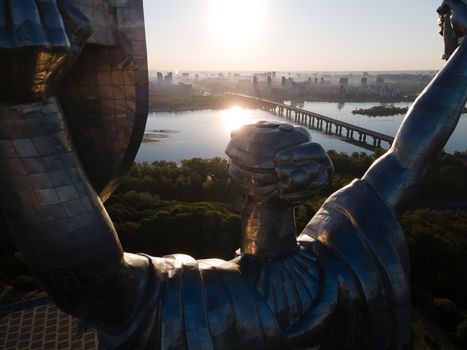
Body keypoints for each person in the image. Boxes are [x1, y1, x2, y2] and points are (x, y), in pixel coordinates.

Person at [0, 0, 465, 349]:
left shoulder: (203, 299)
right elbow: (408, 159)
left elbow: (89, 282)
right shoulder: (339, 259)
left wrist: (24, 107)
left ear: (237, 186)